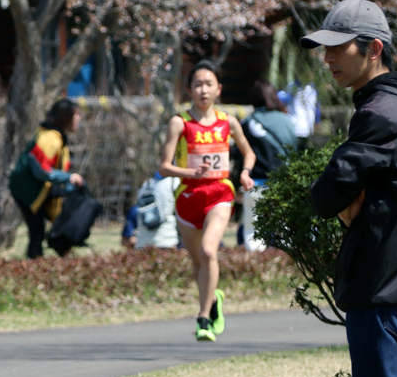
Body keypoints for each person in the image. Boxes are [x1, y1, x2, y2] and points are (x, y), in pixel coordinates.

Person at [304, 0, 397, 377]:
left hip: (382, 295)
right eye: (325, 49)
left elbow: (325, 193)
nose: (328, 58)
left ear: (374, 48)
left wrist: (343, 203)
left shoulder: (380, 116)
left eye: (339, 48)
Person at [159, 59, 255, 341]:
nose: (203, 90)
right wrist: (191, 171)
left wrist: (246, 173)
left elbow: (248, 153)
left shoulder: (229, 122)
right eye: (198, 84)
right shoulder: (179, 123)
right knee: (199, 262)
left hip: (219, 193)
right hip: (187, 197)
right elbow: (164, 166)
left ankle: (203, 319)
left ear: (218, 89)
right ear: (189, 90)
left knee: (209, 251)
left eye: (209, 84)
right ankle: (214, 300)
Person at [8, 99, 84, 258]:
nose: (79, 119)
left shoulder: (56, 136)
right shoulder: (51, 138)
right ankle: (35, 266)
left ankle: (62, 254)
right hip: (26, 190)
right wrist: (68, 178)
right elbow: (41, 171)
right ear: (65, 117)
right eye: (76, 115)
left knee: (55, 224)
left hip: (38, 190)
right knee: (37, 232)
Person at [238, 79, 297, 251]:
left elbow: (239, 153)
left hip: (255, 185)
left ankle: (257, 272)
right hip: (284, 184)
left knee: (253, 232)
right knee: (284, 233)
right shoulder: (288, 121)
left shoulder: (248, 122)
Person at [122, 172, 180, 250]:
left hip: (141, 247)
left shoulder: (146, 185)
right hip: (169, 244)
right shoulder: (176, 182)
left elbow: (125, 241)